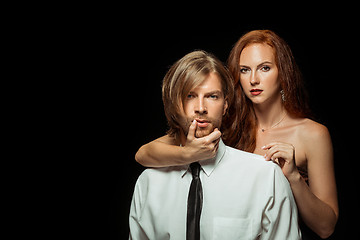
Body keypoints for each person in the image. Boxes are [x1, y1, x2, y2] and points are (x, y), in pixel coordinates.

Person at [135, 30, 338, 239]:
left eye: (264, 68)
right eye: (244, 70)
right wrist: (189, 154)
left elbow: (326, 227)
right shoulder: (224, 122)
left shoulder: (312, 134)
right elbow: (144, 154)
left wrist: (294, 177)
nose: (253, 79)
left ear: (283, 71)